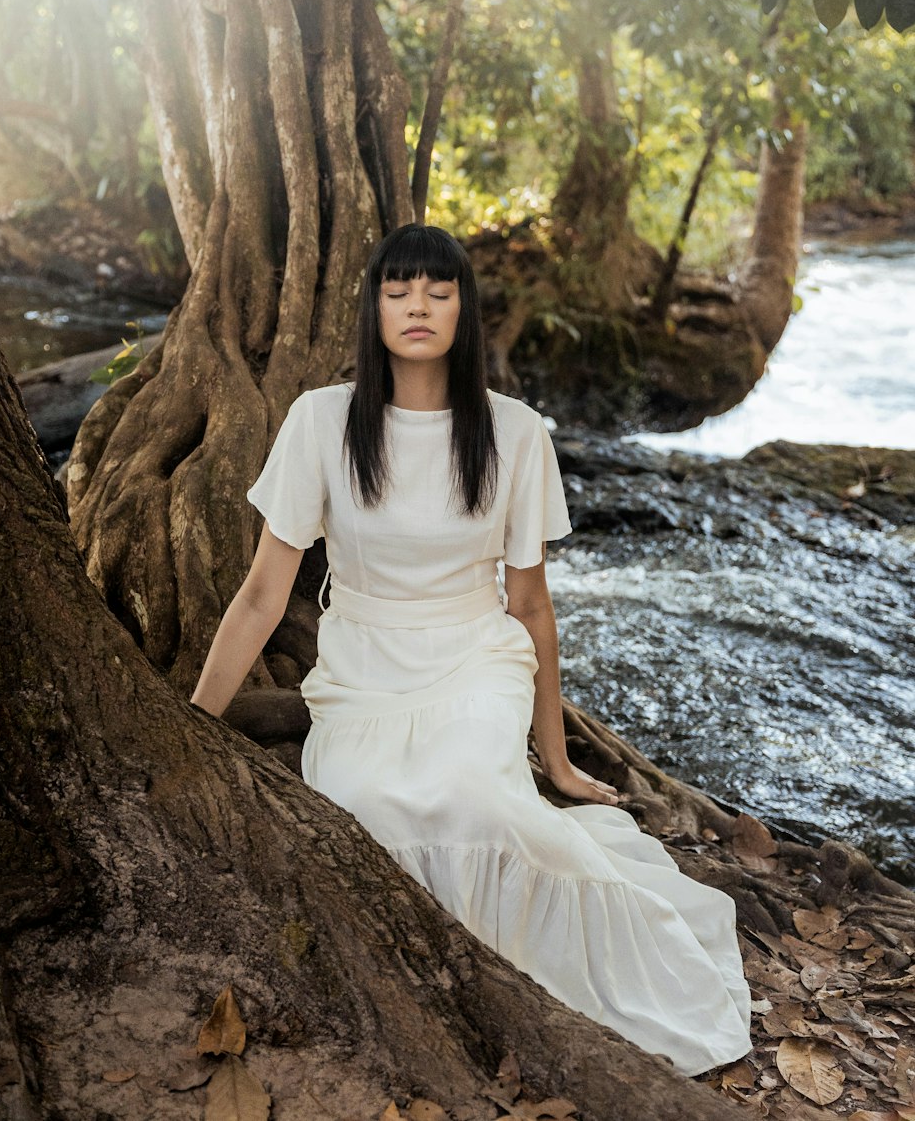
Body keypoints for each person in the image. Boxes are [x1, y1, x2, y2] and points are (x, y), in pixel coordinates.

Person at [190, 223, 753, 1077]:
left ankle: (521, 995)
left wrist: (556, 761)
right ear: (374, 307)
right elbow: (266, 591)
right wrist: (195, 719)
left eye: (440, 291)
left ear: (465, 309)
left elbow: (528, 606)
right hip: (362, 669)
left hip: (474, 657)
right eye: (398, 290)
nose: (419, 306)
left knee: (475, 802)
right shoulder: (322, 420)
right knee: (362, 808)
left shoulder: (516, 432)